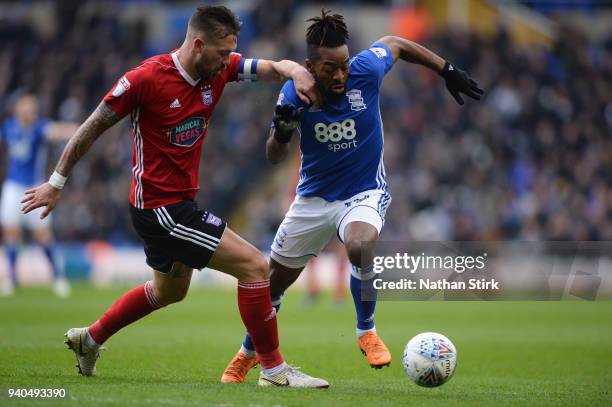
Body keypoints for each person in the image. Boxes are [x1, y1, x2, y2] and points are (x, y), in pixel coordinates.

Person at [21, 6, 329, 388]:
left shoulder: (220, 67)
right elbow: (92, 127)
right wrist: (57, 181)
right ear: (198, 44)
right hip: (161, 209)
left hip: (175, 204)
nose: (226, 62)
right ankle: (273, 370)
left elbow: (268, 67)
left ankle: (91, 338)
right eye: (221, 53)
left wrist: (296, 70)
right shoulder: (146, 79)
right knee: (254, 266)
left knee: (170, 291)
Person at [221, 9, 482, 383]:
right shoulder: (295, 92)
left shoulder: (366, 70)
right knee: (272, 283)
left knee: (360, 244)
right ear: (311, 65)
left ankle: (367, 332)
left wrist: (447, 70)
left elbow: (396, 44)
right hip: (312, 199)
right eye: (330, 68)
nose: (340, 75)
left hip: (363, 191)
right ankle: (248, 354)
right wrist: (281, 132)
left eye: (344, 65)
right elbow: (273, 155)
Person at [1, 94, 77, 297]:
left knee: (42, 235)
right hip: (12, 186)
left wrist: (78, 130)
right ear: (18, 110)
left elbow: (56, 131)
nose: (27, 112)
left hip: (35, 187)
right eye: (24, 108)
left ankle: (58, 277)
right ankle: (11, 278)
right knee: (11, 233)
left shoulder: (39, 128)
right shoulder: (8, 127)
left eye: (31, 109)